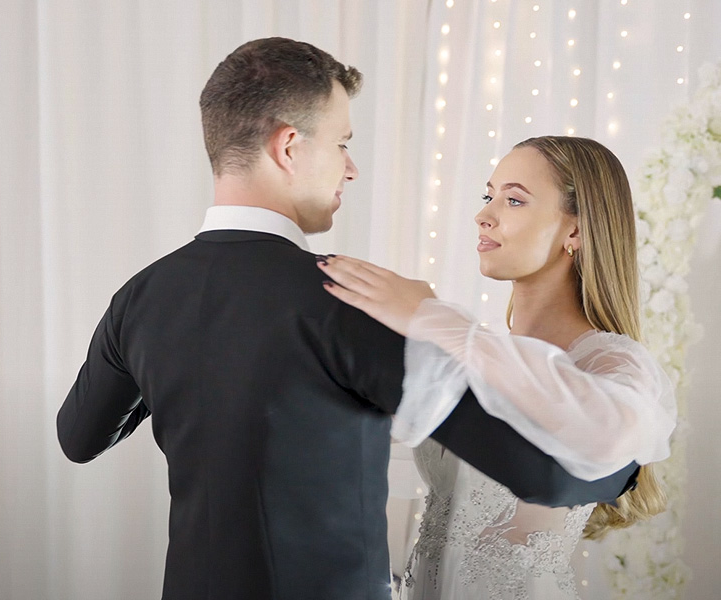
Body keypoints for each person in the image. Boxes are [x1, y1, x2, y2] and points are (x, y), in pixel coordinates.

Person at [57, 39, 638, 600]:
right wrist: (627, 463)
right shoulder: (353, 298)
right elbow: (541, 475)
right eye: (341, 143)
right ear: (289, 147)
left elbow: (78, 438)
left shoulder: (140, 298)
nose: (351, 168)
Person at [318, 136, 677, 599]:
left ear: (576, 231)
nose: (484, 215)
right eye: (488, 195)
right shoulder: (472, 355)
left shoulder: (611, 362)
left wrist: (436, 320)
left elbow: (612, 429)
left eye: (514, 199)